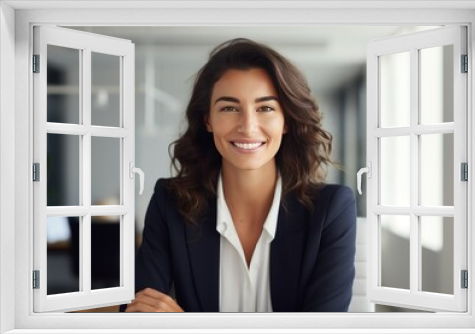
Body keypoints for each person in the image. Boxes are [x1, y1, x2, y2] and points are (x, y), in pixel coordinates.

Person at [122, 38, 356, 313]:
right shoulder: (170, 202)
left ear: (287, 121)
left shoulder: (331, 210)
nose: (247, 126)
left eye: (265, 108)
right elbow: (139, 315)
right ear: (208, 119)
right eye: (229, 108)